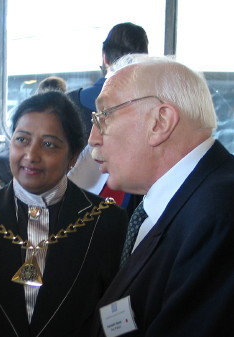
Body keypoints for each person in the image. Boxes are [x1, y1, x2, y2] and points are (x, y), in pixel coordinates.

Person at [0, 91, 128, 337]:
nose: (31, 155)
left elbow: (114, 314)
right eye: (22, 140)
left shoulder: (106, 220)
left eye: (49, 144)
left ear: (73, 157)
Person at [88, 55, 234, 337]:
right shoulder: (177, 201)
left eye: (104, 116)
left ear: (160, 122)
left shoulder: (219, 214)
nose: (93, 137)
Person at [68, 22, 148, 216]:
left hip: (70, 211)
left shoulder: (67, 104)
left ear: (105, 58)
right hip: (131, 216)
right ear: (145, 60)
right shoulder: (153, 108)